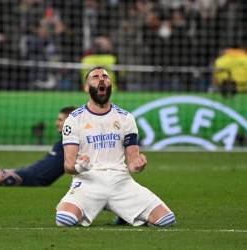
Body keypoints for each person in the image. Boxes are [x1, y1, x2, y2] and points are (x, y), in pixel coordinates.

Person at [55, 66, 176, 227]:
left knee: (166, 220)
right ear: (86, 87)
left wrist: (138, 165)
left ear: (110, 84)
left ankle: (124, 214)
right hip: (88, 182)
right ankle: (116, 211)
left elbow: (132, 162)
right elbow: (68, 166)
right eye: (95, 77)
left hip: (120, 181)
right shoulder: (74, 119)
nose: (101, 79)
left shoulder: (126, 118)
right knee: (64, 220)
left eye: (105, 76)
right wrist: (80, 166)